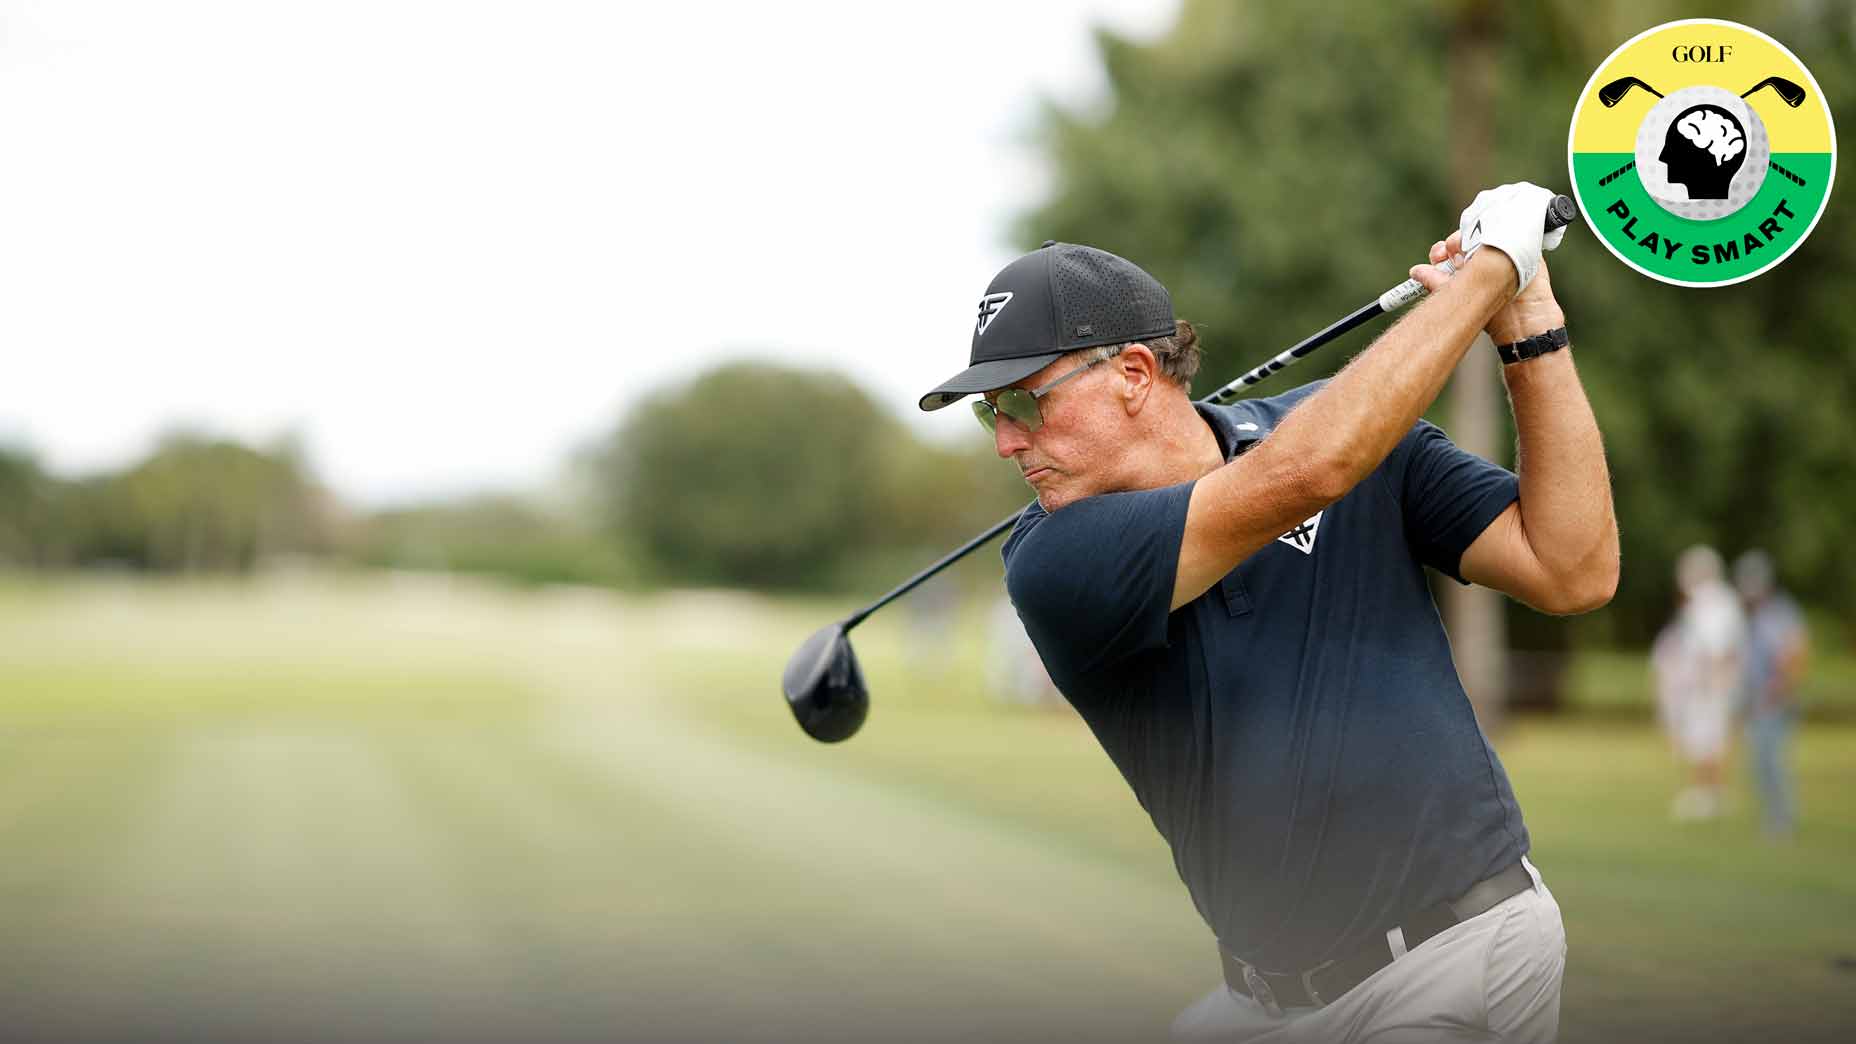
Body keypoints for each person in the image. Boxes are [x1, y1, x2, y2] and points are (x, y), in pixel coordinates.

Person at [918, 184, 1618, 1042]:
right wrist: (1495, 270)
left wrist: (1528, 321)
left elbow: (1573, 569)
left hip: (1454, 961)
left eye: (1026, 403)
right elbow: (1303, 477)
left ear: (1134, 374)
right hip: (1265, 1001)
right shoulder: (1055, 559)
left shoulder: (1358, 438)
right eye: (994, 413)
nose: (1005, 441)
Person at [1653, 545, 1745, 821]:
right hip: (1706, 684)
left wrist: (1708, 682)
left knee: (1709, 740)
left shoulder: (1711, 603)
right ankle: (1705, 792)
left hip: (1709, 685)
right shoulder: (1718, 602)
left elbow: (1715, 649)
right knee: (1702, 740)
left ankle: (1709, 795)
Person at [1734, 549, 1808, 837]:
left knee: (1774, 764)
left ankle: (1781, 820)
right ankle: (1772, 817)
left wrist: (1778, 691)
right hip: (1757, 703)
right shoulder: (1753, 615)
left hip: (1774, 704)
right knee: (1759, 764)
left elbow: (1793, 655)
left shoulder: (1780, 612)